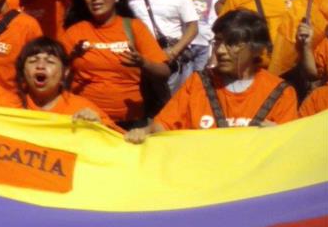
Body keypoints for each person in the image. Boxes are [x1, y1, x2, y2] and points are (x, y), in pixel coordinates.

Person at [125, 10, 298, 143]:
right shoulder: (198, 83)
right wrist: (143, 132)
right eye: (218, 41)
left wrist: (280, 136)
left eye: (232, 44)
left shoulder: (281, 92)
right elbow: (164, 125)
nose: (220, 51)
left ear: (257, 49)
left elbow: (290, 150)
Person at [59, 0, 171, 128]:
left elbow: (164, 72)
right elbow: (55, 75)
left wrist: (143, 63)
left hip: (130, 123)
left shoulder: (134, 28)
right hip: (86, 121)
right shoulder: (74, 32)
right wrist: (70, 59)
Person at [126, 0, 199, 95]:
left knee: (173, 99)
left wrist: (174, 51)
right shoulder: (131, 0)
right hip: (145, 60)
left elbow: (193, 27)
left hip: (172, 59)